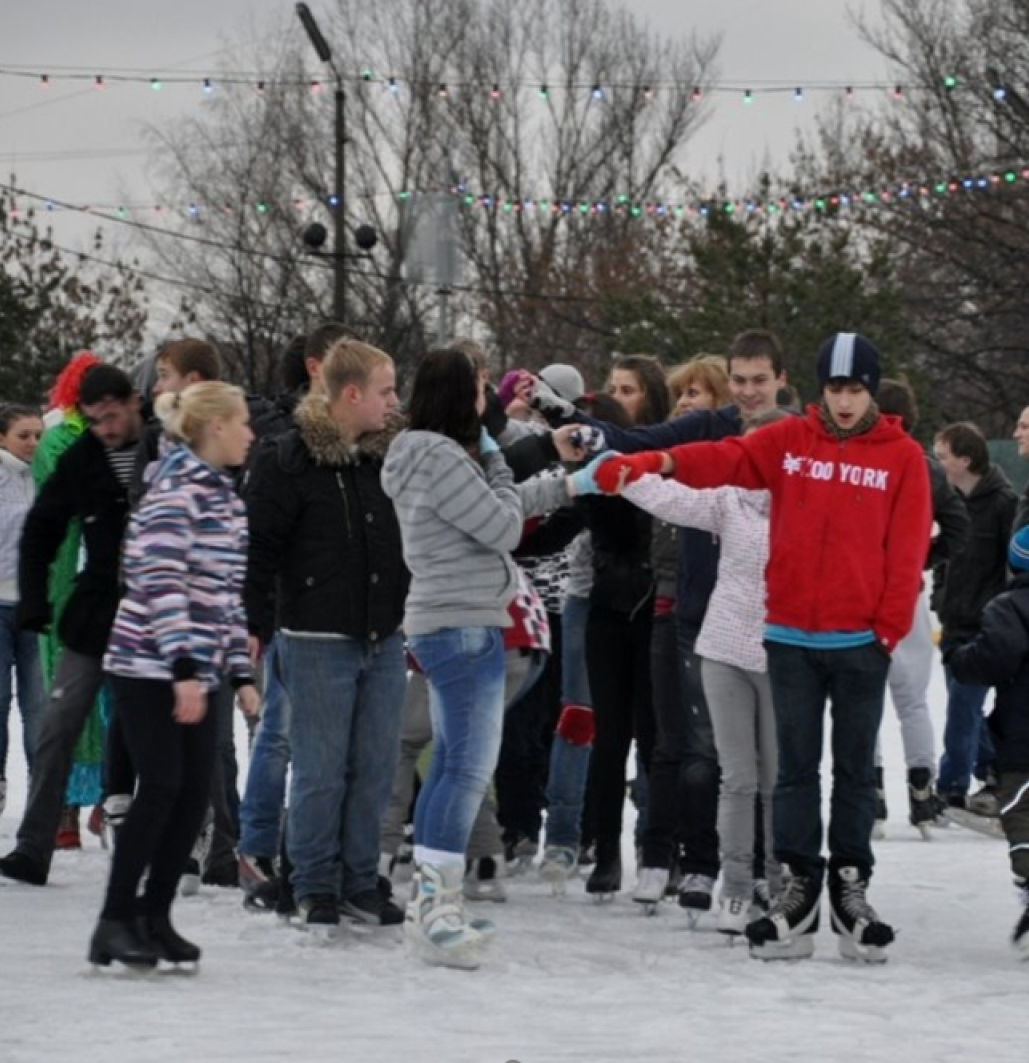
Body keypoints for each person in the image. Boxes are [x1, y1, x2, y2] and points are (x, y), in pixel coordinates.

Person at [593, 332, 931, 963]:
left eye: (856, 389)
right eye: (835, 388)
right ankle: (797, 892)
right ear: (820, 389)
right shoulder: (787, 442)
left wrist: (885, 632)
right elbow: (718, 459)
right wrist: (650, 464)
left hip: (859, 641)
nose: (846, 400)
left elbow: (908, 548)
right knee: (795, 773)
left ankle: (851, 888)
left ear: (871, 392)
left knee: (855, 773)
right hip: (789, 639)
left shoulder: (902, 457)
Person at [381, 347, 583, 967]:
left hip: (453, 620)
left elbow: (497, 509)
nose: (487, 400)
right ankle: (435, 907)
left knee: (451, 766)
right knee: (466, 769)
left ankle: (434, 902)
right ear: (457, 395)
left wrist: (569, 483)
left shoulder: (421, 454)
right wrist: (500, 458)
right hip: (463, 623)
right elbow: (500, 527)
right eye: (479, 390)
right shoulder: (441, 457)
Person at [89, 382, 259, 970]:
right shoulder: (175, 493)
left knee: (191, 795)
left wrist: (239, 673)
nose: (250, 433)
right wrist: (183, 668)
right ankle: (115, 919)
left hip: (200, 667)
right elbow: (159, 583)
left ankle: (154, 916)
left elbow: (225, 595)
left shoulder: (227, 498)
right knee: (161, 786)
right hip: (146, 663)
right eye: (242, 423)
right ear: (213, 427)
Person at [245, 338, 410, 931]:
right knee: (319, 767)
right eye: (386, 391)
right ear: (351, 393)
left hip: (383, 634)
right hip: (314, 637)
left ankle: (359, 879)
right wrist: (253, 626)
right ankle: (313, 882)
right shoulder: (287, 459)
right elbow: (258, 549)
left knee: (374, 765)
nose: (395, 402)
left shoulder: (387, 458)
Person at [621, 408, 789, 929]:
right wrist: (620, 472)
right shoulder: (728, 501)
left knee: (776, 777)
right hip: (723, 647)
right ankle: (735, 886)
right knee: (736, 776)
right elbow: (673, 497)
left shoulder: (802, 506)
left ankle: (774, 876)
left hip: (786, 653)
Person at [0, 365, 143, 887]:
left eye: (112, 415)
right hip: (97, 612)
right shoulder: (83, 458)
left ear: (131, 403)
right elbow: (41, 529)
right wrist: (36, 599)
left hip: (155, 615)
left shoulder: (162, 450)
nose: (106, 427)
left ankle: (193, 848)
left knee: (163, 733)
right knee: (58, 726)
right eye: (94, 418)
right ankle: (33, 847)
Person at [872, 380, 970, 837]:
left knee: (864, 697)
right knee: (911, 700)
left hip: (861, 591)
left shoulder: (860, 458)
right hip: (905, 592)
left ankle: (870, 792)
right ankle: (921, 791)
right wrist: (920, 557)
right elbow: (958, 526)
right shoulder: (925, 467)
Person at [947, 525, 1029, 957]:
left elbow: (995, 654)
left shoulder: (1009, 606)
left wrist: (959, 656)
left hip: (1021, 739)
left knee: (1020, 817)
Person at [932, 422, 1016, 814]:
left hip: (983, 627)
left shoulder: (1003, 504)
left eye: (942, 455)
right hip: (953, 621)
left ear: (964, 460)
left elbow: (1012, 568)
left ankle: (951, 786)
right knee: (962, 707)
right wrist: (939, 598)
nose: (937, 462)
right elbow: (946, 559)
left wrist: (998, 617)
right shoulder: (950, 501)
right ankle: (994, 769)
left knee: (962, 708)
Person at [0, 405, 46, 818]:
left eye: (37, 434)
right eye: (23, 435)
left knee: (39, 706)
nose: (33, 443)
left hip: (33, 606)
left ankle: (41, 796)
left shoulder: (42, 476)